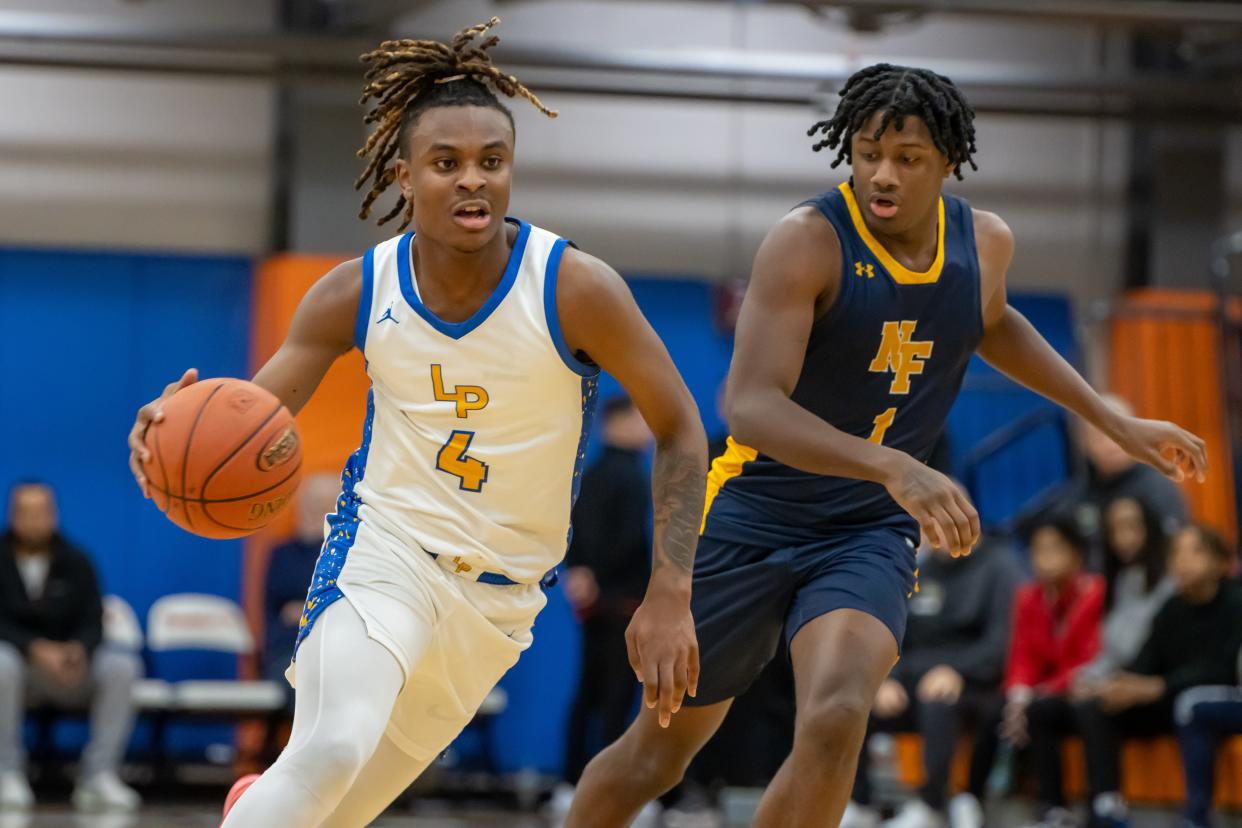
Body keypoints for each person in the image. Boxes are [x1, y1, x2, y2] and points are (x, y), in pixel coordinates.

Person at [567, 63, 1207, 828]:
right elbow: (750, 406)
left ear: (948, 163)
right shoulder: (807, 242)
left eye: (907, 158)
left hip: (866, 530)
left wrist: (1111, 418)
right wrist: (897, 464)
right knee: (660, 751)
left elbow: (992, 319)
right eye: (868, 151)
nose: (883, 173)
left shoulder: (985, 243)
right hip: (753, 513)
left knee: (838, 716)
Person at [126, 19, 706, 828]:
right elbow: (248, 424)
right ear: (404, 174)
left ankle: (256, 804)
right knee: (331, 749)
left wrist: (669, 591)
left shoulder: (575, 287)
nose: (473, 182)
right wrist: (169, 434)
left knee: (331, 809)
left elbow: (681, 429)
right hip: (385, 554)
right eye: (447, 164)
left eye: (491, 163)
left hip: (500, 603)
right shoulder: (354, 293)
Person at [1071, 524, 1242, 828]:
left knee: (1191, 705)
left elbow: (1223, 668)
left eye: (1196, 551)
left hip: (1214, 701)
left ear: (1221, 562)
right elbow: (1146, 661)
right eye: (1176, 553)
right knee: (1100, 706)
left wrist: (1158, 686)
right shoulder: (1172, 607)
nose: (1183, 561)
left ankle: (1196, 817)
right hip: (1168, 698)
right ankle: (1106, 808)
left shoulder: (1234, 601)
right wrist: (1117, 684)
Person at [846, 530, 1019, 828]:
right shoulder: (921, 570)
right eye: (929, 526)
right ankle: (861, 802)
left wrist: (959, 670)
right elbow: (898, 636)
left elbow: (1001, 641)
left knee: (937, 702)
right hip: (914, 677)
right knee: (855, 701)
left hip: (976, 684)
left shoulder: (1000, 566)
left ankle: (931, 805)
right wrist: (889, 678)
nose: (935, 533)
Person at [0, 482, 141, 812]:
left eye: (42, 512)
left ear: (54, 514)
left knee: (123, 666)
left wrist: (79, 649)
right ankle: (6, 771)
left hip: (71, 668)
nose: (35, 520)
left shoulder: (77, 560)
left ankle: (99, 776)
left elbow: (94, 618)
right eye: (26, 512)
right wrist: (34, 647)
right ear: (13, 515)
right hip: (20, 668)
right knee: (1, 663)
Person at [560, 396, 653, 788]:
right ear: (619, 423)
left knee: (589, 693)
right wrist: (594, 574)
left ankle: (571, 785)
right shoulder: (629, 476)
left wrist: (579, 574)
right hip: (623, 604)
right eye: (643, 419)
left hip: (595, 602)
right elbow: (629, 539)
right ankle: (606, 790)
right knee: (615, 698)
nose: (650, 429)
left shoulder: (589, 473)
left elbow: (569, 529)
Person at [1000, 517, 1104, 828]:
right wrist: (1019, 695)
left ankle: (1100, 806)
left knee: (1075, 709)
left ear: (1076, 554)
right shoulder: (1028, 596)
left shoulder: (1094, 592)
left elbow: (1091, 657)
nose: (1045, 558)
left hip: (1085, 687)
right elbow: (1022, 655)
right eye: (1038, 550)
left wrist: (1044, 690)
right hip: (1049, 693)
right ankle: (1050, 807)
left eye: (1055, 549)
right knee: (1016, 711)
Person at [1019, 394, 1188, 563]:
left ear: (1137, 437)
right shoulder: (1078, 493)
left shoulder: (1157, 487)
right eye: (1100, 436)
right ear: (1084, 443)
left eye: (1118, 435)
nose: (1110, 444)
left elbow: (1174, 544)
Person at [1072, 496, 1174, 692]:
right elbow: (1111, 651)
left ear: (1150, 527)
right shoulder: (1120, 580)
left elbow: (1146, 649)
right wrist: (1087, 677)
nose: (1123, 538)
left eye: (1131, 526)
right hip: (1116, 676)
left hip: (1152, 680)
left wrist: (1107, 684)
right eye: (1114, 530)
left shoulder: (1171, 580)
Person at [263, 473, 342, 689]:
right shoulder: (283, 554)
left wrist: (305, 611)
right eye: (311, 502)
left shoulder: (349, 555)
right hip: (289, 651)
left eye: (324, 503)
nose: (315, 510)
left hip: (337, 650)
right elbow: (278, 612)